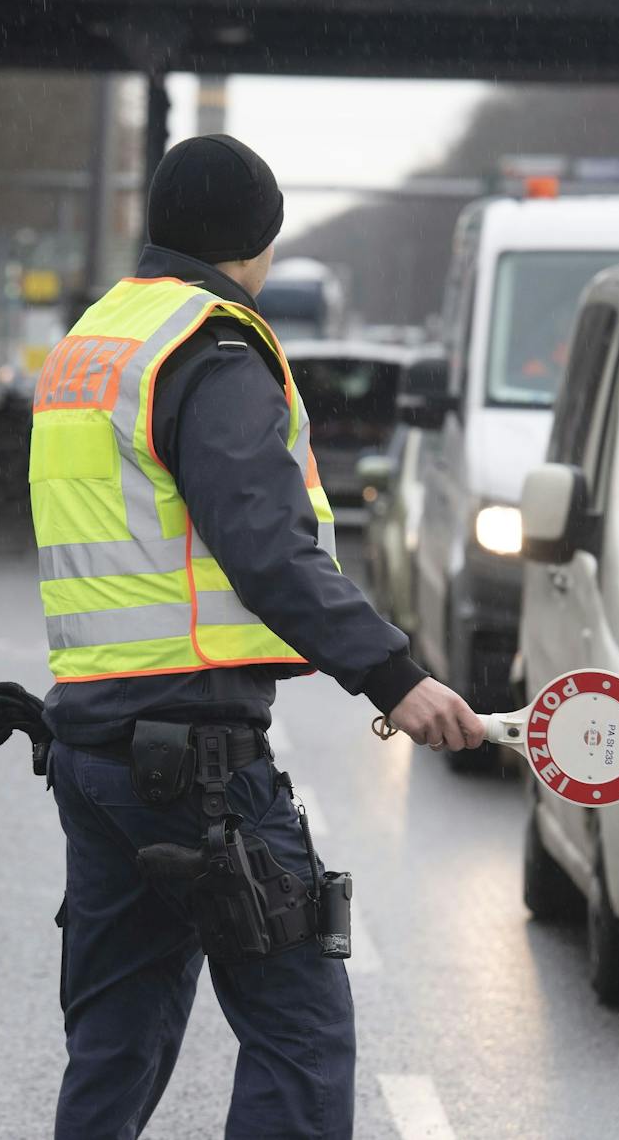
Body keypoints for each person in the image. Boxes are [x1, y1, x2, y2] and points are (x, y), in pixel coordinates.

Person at [30, 133, 486, 1139]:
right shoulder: (214, 349)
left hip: (92, 749)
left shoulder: (96, 340)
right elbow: (265, 547)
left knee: (116, 1040)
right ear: (259, 238)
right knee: (298, 1031)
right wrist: (394, 676)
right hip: (193, 762)